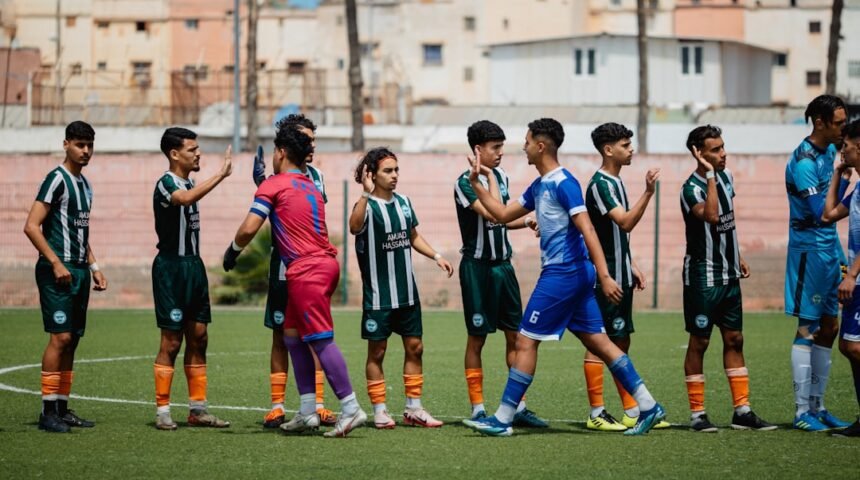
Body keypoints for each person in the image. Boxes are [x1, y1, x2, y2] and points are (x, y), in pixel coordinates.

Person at [462, 118, 665, 437]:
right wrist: (477, 182)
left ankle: (502, 419)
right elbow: (501, 215)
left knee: (525, 341)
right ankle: (649, 405)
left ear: (541, 146)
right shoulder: (539, 184)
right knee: (600, 343)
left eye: (527, 141)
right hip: (573, 275)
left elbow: (588, 229)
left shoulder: (564, 183)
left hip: (564, 273)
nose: (524, 147)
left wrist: (605, 275)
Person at [224, 123, 366, 438]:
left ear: (281, 152)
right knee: (291, 335)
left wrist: (232, 251)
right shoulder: (309, 184)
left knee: (321, 340)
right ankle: (307, 411)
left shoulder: (273, 185)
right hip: (321, 266)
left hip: (306, 271)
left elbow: (248, 229)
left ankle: (351, 408)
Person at [348, 147, 454, 429]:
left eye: (396, 170)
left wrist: (436, 256)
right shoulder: (366, 205)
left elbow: (413, 236)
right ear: (372, 174)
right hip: (379, 296)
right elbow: (354, 227)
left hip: (407, 293)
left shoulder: (405, 202)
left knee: (416, 348)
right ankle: (380, 411)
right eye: (388, 171)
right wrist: (365, 193)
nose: (394, 175)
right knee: (377, 352)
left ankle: (414, 409)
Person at [679, 125, 776, 432]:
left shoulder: (728, 177)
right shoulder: (690, 189)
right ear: (698, 153)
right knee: (700, 341)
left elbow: (725, 222)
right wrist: (709, 174)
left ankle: (742, 411)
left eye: (723, 147)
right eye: (715, 150)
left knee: (735, 339)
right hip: (703, 277)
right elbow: (710, 215)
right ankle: (698, 415)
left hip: (729, 273)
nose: (723, 154)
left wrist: (738, 255)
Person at [454, 120, 547, 427]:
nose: (501, 153)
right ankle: (478, 408)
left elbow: (504, 218)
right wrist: (490, 177)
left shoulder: (502, 176)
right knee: (477, 339)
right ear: (478, 149)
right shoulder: (465, 183)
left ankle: (518, 407)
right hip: (477, 269)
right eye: (495, 148)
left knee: (516, 337)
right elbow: (493, 212)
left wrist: (527, 221)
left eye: (502, 147)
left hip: (503, 267)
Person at [252, 114, 336, 429]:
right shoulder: (275, 176)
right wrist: (263, 183)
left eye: (313, 140)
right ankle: (277, 406)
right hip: (283, 264)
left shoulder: (317, 177)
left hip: (311, 267)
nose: (310, 145)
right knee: (280, 333)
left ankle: (317, 405)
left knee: (314, 333)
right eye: (305, 139)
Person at [582, 122, 667, 431]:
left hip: (621, 272)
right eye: (625, 145)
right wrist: (648, 192)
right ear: (608, 150)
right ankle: (596, 412)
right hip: (605, 277)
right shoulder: (601, 185)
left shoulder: (616, 182)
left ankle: (633, 410)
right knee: (598, 340)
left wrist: (630, 264)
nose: (632, 149)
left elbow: (614, 233)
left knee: (620, 341)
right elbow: (626, 222)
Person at [24, 121, 107, 433]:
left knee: (72, 340)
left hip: (80, 270)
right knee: (59, 338)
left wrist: (95, 267)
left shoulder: (86, 185)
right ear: (66, 145)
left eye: (89, 145)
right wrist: (56, 263)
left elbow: (80, 233)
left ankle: (61, 408)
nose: (85, 151)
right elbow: (31, 226)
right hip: (56, 271)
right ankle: (47, 412)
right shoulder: (56, 179)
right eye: (79, 145)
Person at [151, 127, 232, 430]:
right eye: (192, 149)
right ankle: (162, 411)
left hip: (194, 267)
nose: (198, 154)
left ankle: (198, 410)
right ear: (174, 154)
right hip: (171, 269)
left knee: (199, 337)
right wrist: (221, 175)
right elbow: (184, 199)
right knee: (172, 341)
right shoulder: (166, 183)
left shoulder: (189, 181)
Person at [785, 95, 852, 431]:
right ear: (820, 122)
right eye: (839, 123)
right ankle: (801, 412)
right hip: (808, 251)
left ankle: (818, 406)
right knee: (807, 328)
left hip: (830, 249)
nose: (843, 129)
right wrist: (852, 191)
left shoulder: (829, 153)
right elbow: (820, 214)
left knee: (830, 327)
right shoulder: (804, 162)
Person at [821, 118, 860, 437]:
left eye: (845, 146)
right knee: (849, 347)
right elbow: (828, 214)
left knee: (852, 346)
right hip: (856, 282)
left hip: (857, 279)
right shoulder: (858, 187)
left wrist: (852, 275)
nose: (842, 151)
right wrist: (838, 175)